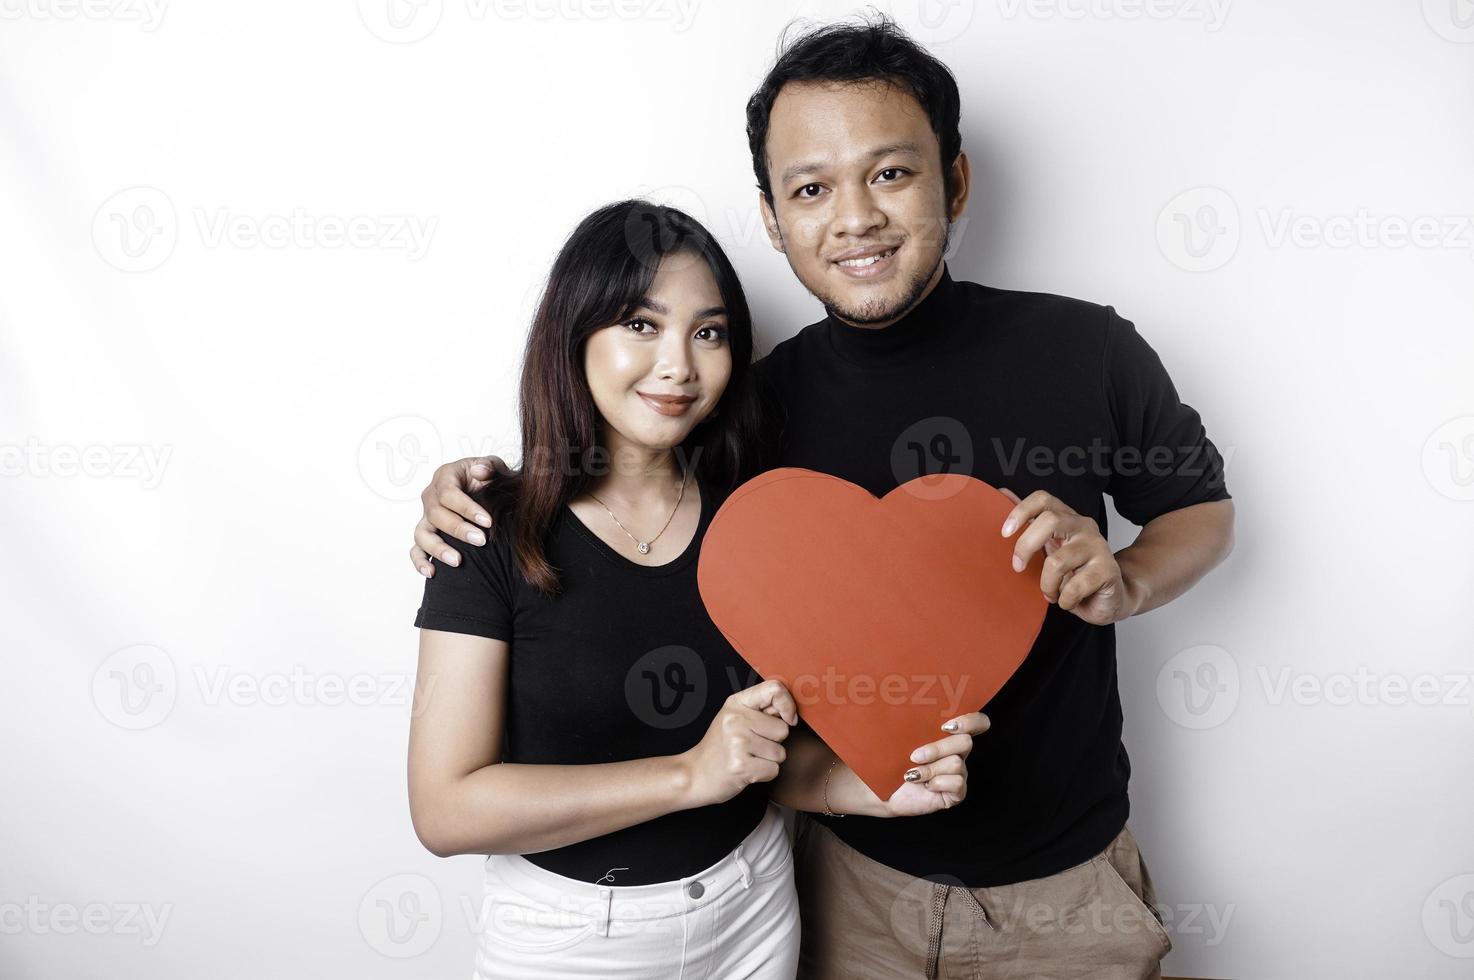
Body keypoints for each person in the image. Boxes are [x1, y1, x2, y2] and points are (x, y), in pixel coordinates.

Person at [412, 16, 1236, 980]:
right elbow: (639, 523)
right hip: (837, 881)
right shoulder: (749, 409)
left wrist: (1126, 581)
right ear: (772, 218)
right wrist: (473, 489)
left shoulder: (1086, 352)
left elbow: (1201, 511)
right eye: (811, 188)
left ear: (954, 181)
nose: (854, 218)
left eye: (891, 173)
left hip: (1065, 885)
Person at [407, 198, 988, 980]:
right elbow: (445, 809)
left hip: (754, 908)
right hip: (574, 939)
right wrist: (689, 774)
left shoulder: (757, 518)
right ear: (574, 334)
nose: (679, 364)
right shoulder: (485, 529)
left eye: (708, 332)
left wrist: (870, 788)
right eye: (642, 325)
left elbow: (761, 757)